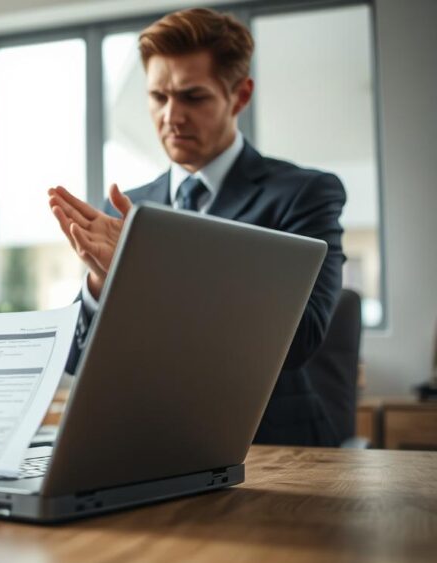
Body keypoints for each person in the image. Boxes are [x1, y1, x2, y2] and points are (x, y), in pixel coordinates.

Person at [48, 9, 346, 446]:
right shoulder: (125, 210)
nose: (172, 116)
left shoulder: (304, 195)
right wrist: (100, 281)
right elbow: (77, 361)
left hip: (276, 448)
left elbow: (300, 339)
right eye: (159, 97)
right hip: (148, 442)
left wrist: (154, 272)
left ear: (239, 96)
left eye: (193, 97)